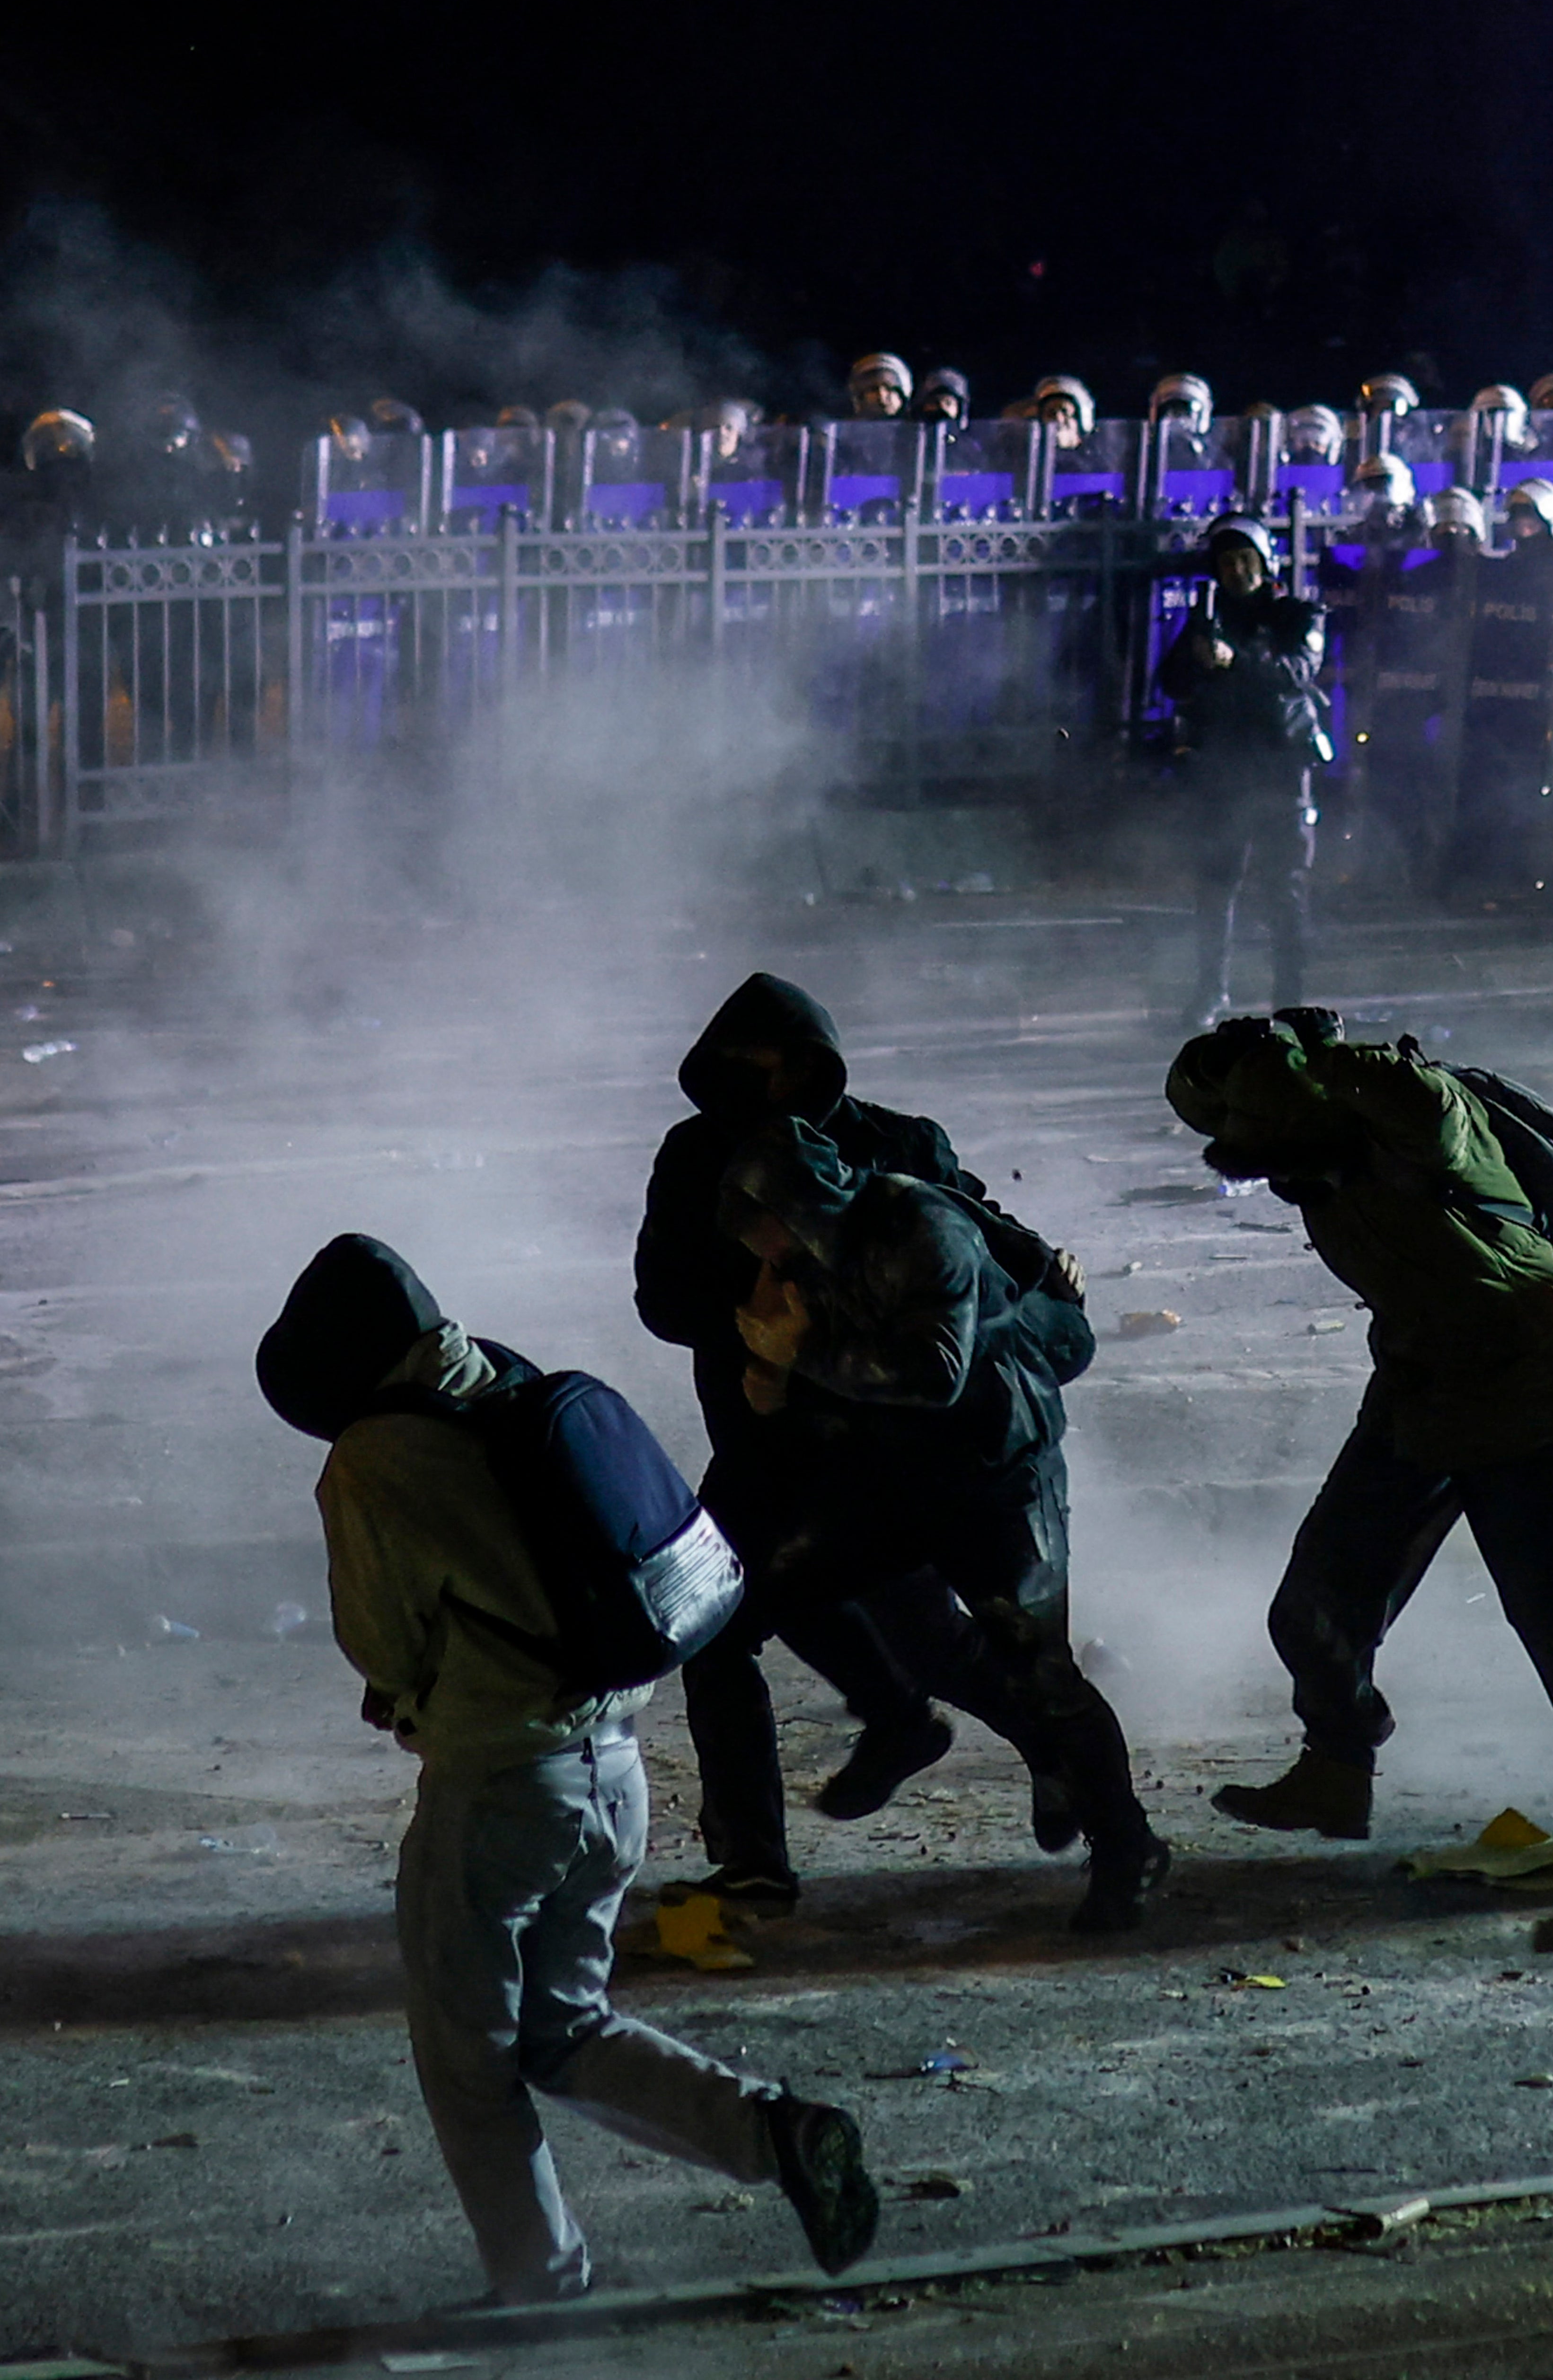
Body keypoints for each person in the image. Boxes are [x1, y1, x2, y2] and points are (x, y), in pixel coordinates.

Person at [256, 1234, 877, 2305]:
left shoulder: (374, 1454)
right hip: (613, 1772)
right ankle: (777, 2133)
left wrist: (415, 1682)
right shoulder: (508, 1383)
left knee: (469, 2061)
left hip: (497, 1791)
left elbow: (383, 1648)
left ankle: (538, 2282)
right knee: (566, 2027)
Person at [1166, 1012, 1553, 1857]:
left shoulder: (1417, 1117)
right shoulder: (1318, 1165)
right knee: (1315, 1600)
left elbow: (1425, 1106)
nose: (1251, 1157)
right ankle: (1336, 1770)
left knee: (1548, 1604)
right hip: (1422, 1378)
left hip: (1520, 1368)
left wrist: (1326, 1055)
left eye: (1249, 1129)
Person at [634, 973, 1062, 1913]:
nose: (752, 1088)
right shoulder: (698, 1154)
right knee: (717, 1630)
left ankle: (1051, 1749)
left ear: (810, 1067)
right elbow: (661, 1298)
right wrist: (757, 1311)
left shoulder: (900, 1146)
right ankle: (755, 1857)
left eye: (767, 1068)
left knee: (927, 1638)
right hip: (763, 1434)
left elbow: (982, 1243)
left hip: (883, 1447)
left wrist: (1041, 1274)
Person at [718, 1123, 1168, 1932]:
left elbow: (936, 1372)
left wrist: (801, 1356)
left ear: (801, 1207)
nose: (763, 1247)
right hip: (894, 1472)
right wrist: (778, 1373)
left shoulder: (924, 1230)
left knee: (1040, 1668)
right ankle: (901, 1720)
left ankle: (1126, 1845)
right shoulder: (804, 1255)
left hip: (996, 1472)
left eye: (767, 1227)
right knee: (789, 1587)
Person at [1159, 515, 1327, 1022]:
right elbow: (1170, 682)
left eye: (1245, 559)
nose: (1237, 570)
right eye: (1227, 562)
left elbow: (1298, 671)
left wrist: (1237, 661)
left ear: (1264, 562)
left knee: (1284, 888)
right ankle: (1211, 991)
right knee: (1215, 885)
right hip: (1224, 767)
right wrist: (1197, 657)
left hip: (1279, 766)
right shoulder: (1209, 617)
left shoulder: (1295, 615)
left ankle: (1290, 999)